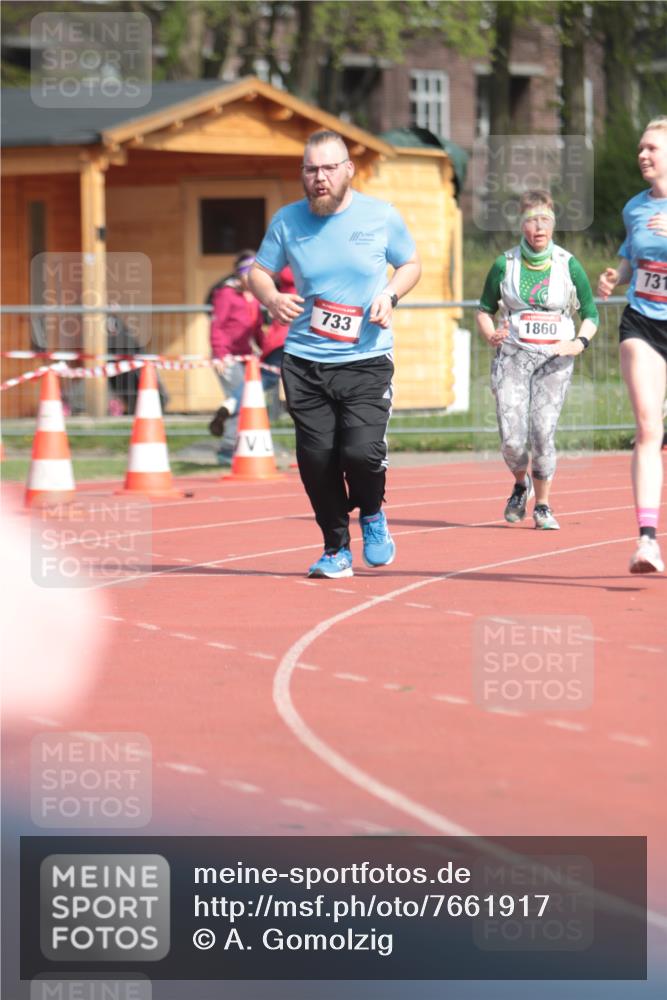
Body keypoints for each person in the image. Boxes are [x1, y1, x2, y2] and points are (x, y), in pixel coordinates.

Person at [249, 129, 421, 578]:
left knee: (361, 453)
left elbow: (411, 264)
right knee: (317, 459)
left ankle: (372, 513)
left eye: (328, 168)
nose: (319, 178)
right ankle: (335, 549)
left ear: (348, 170)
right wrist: (271, 299)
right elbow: (259, 272)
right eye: (310, 169)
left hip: (365, 358)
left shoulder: (380, 216)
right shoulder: (287, 221)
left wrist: (390, 295)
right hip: (305, 360)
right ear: (302, 175)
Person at [476, 189, 599, 530]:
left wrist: (580, 342)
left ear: (554, 224)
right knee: (512, 438)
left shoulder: (568, 264)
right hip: (513, 357)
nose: (539, 226)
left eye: (545, 219)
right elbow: (484, 311)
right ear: (521, 224)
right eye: (532, 219)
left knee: (543, 432)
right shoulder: (505, 264)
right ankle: (521, 483)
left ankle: (543, 505)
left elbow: (591, 314)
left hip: (554, 359)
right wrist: (490, 333)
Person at [598, 115, 667, 574]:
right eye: (640, 147)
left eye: (652, 148)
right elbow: (631, 253)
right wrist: (614, 275)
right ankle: (647, 541)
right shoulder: (634, 208)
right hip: (643, 322)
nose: (642, 154)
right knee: (648, 428)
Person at [208, 250, 264, 465]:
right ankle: (228, 448)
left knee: (243, 400)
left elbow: (257, 329)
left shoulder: (255, 298)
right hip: (228, 358)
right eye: (246, 274)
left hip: (246, 358)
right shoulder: (226, 294)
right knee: (240, 400)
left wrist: (266, 350)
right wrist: (219, 354)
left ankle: (237, 444)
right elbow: (218, 325)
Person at [257, 265, 295, 422]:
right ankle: (233, 403)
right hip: (287, 333)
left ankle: (232, 403)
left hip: (290, 332)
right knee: (266, 378)